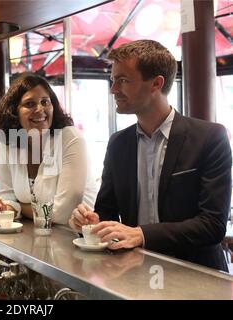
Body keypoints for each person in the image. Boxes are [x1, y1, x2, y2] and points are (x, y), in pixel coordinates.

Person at [69, 40, 232, 271]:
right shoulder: (118, 143)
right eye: (113, 80)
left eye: (122, 80)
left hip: (197, 274)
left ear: (156, 83)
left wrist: (141, 234)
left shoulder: (210, 137)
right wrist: (92, 222)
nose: (113, 89)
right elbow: (106, 211)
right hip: (136, 272)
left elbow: (213, 225)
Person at [0, 73, 98, 225]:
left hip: (78, 238)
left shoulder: (70, 138)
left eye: (45, 102)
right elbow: (7, 196)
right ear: (13, 111)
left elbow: (63, 214)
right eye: (29, 104)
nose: (40, 109)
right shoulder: (7, 142)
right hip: (37, 236)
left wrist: (19, 208)